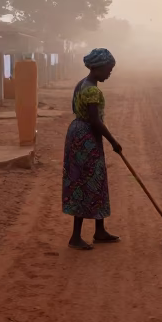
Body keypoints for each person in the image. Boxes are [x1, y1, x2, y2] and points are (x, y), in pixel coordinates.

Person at [63, 47, 122, 250]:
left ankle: (100, 230)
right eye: (108, 69)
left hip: (80, 134)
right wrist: (114, 142)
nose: (109, 73)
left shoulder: (83, 84)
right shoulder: (92, 90)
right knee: (84, 182)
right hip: (86, 137)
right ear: (97, 67)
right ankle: (75, 237)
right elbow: (95, 121)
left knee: (96, 181)